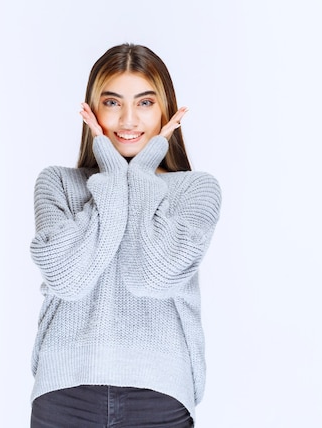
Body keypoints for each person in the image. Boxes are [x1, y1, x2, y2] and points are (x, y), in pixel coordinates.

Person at [29, 43, 222, 427]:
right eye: (113, 103)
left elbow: (151, 276)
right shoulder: (57, 184)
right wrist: (115, 176)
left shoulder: (197, 190)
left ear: (166, 109)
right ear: (93, 111)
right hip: (64, 393)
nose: (129, 119)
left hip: (161, 396)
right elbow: (69, 280)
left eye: (145, 103)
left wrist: (141, 172)